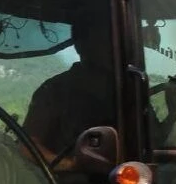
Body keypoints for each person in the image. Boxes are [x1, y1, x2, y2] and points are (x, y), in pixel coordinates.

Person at [23, 17, 116, 170]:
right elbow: (28, 146)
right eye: (103, 40)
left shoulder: (128, 89)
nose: (111, 47)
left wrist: (171, 113)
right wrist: (71, 166)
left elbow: (153, 139)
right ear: (80, 44)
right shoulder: (55, 90)